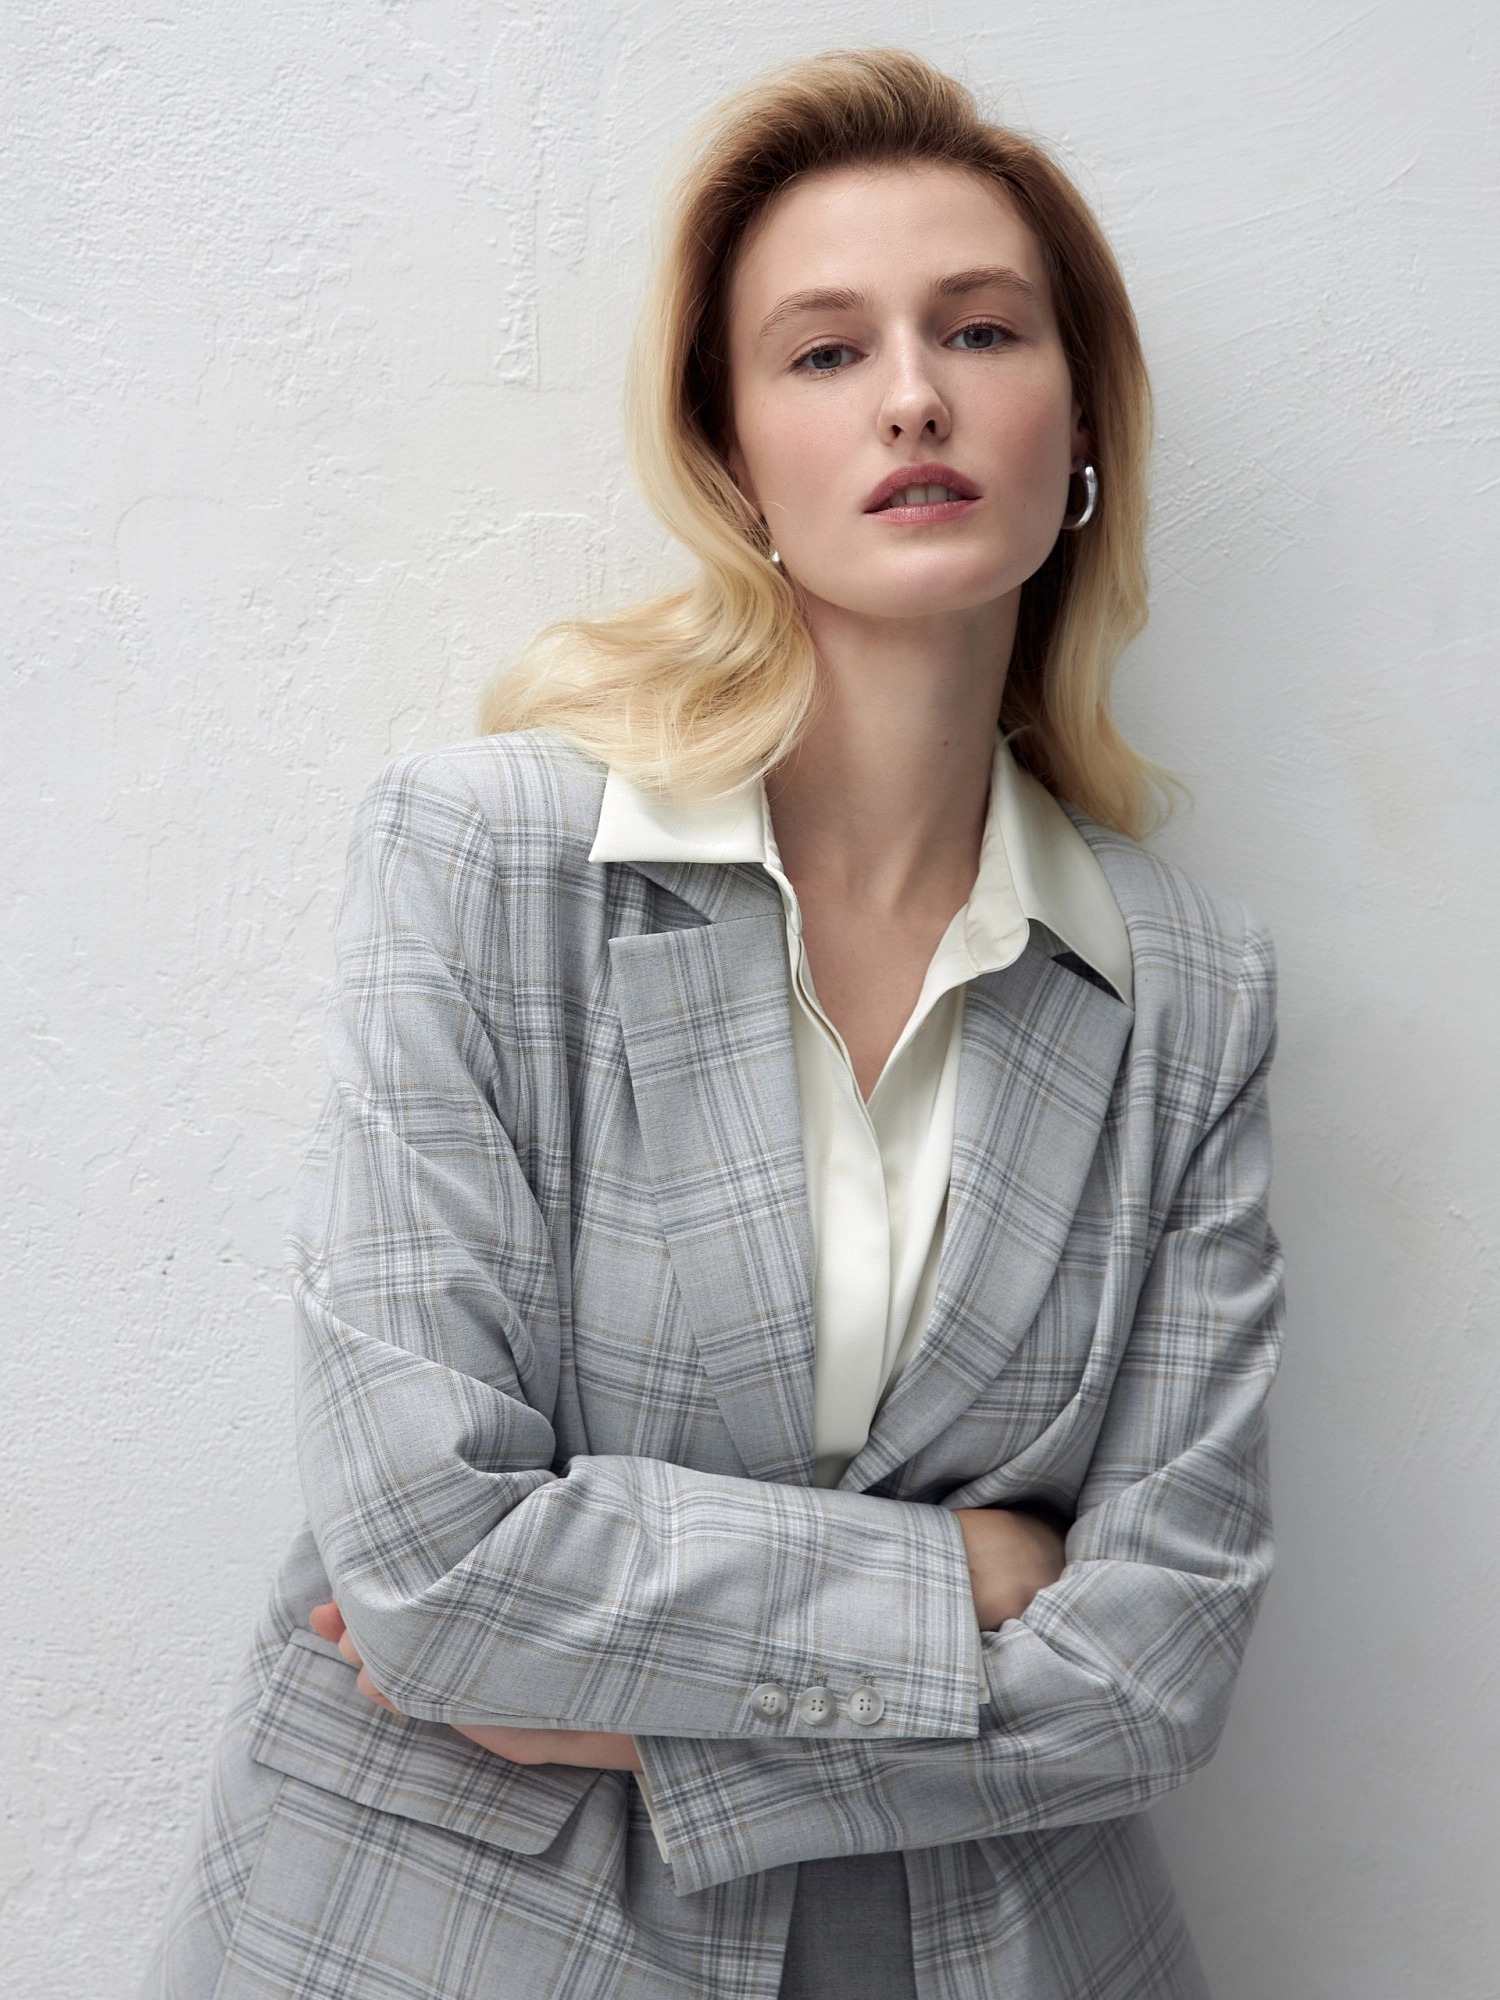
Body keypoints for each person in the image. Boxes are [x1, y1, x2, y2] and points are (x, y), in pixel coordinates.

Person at [141, 46, 1284, 2000]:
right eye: (825, 352)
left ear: (1080, 416)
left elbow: (1159, 1672)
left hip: (975, 1948)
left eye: (980, 330)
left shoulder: (1190, 985)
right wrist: (972, 1578)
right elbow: (430, 1562)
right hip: (446, 1940)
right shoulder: (485, 862)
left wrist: (648, 1719)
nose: (912, 395)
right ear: (733, 451)